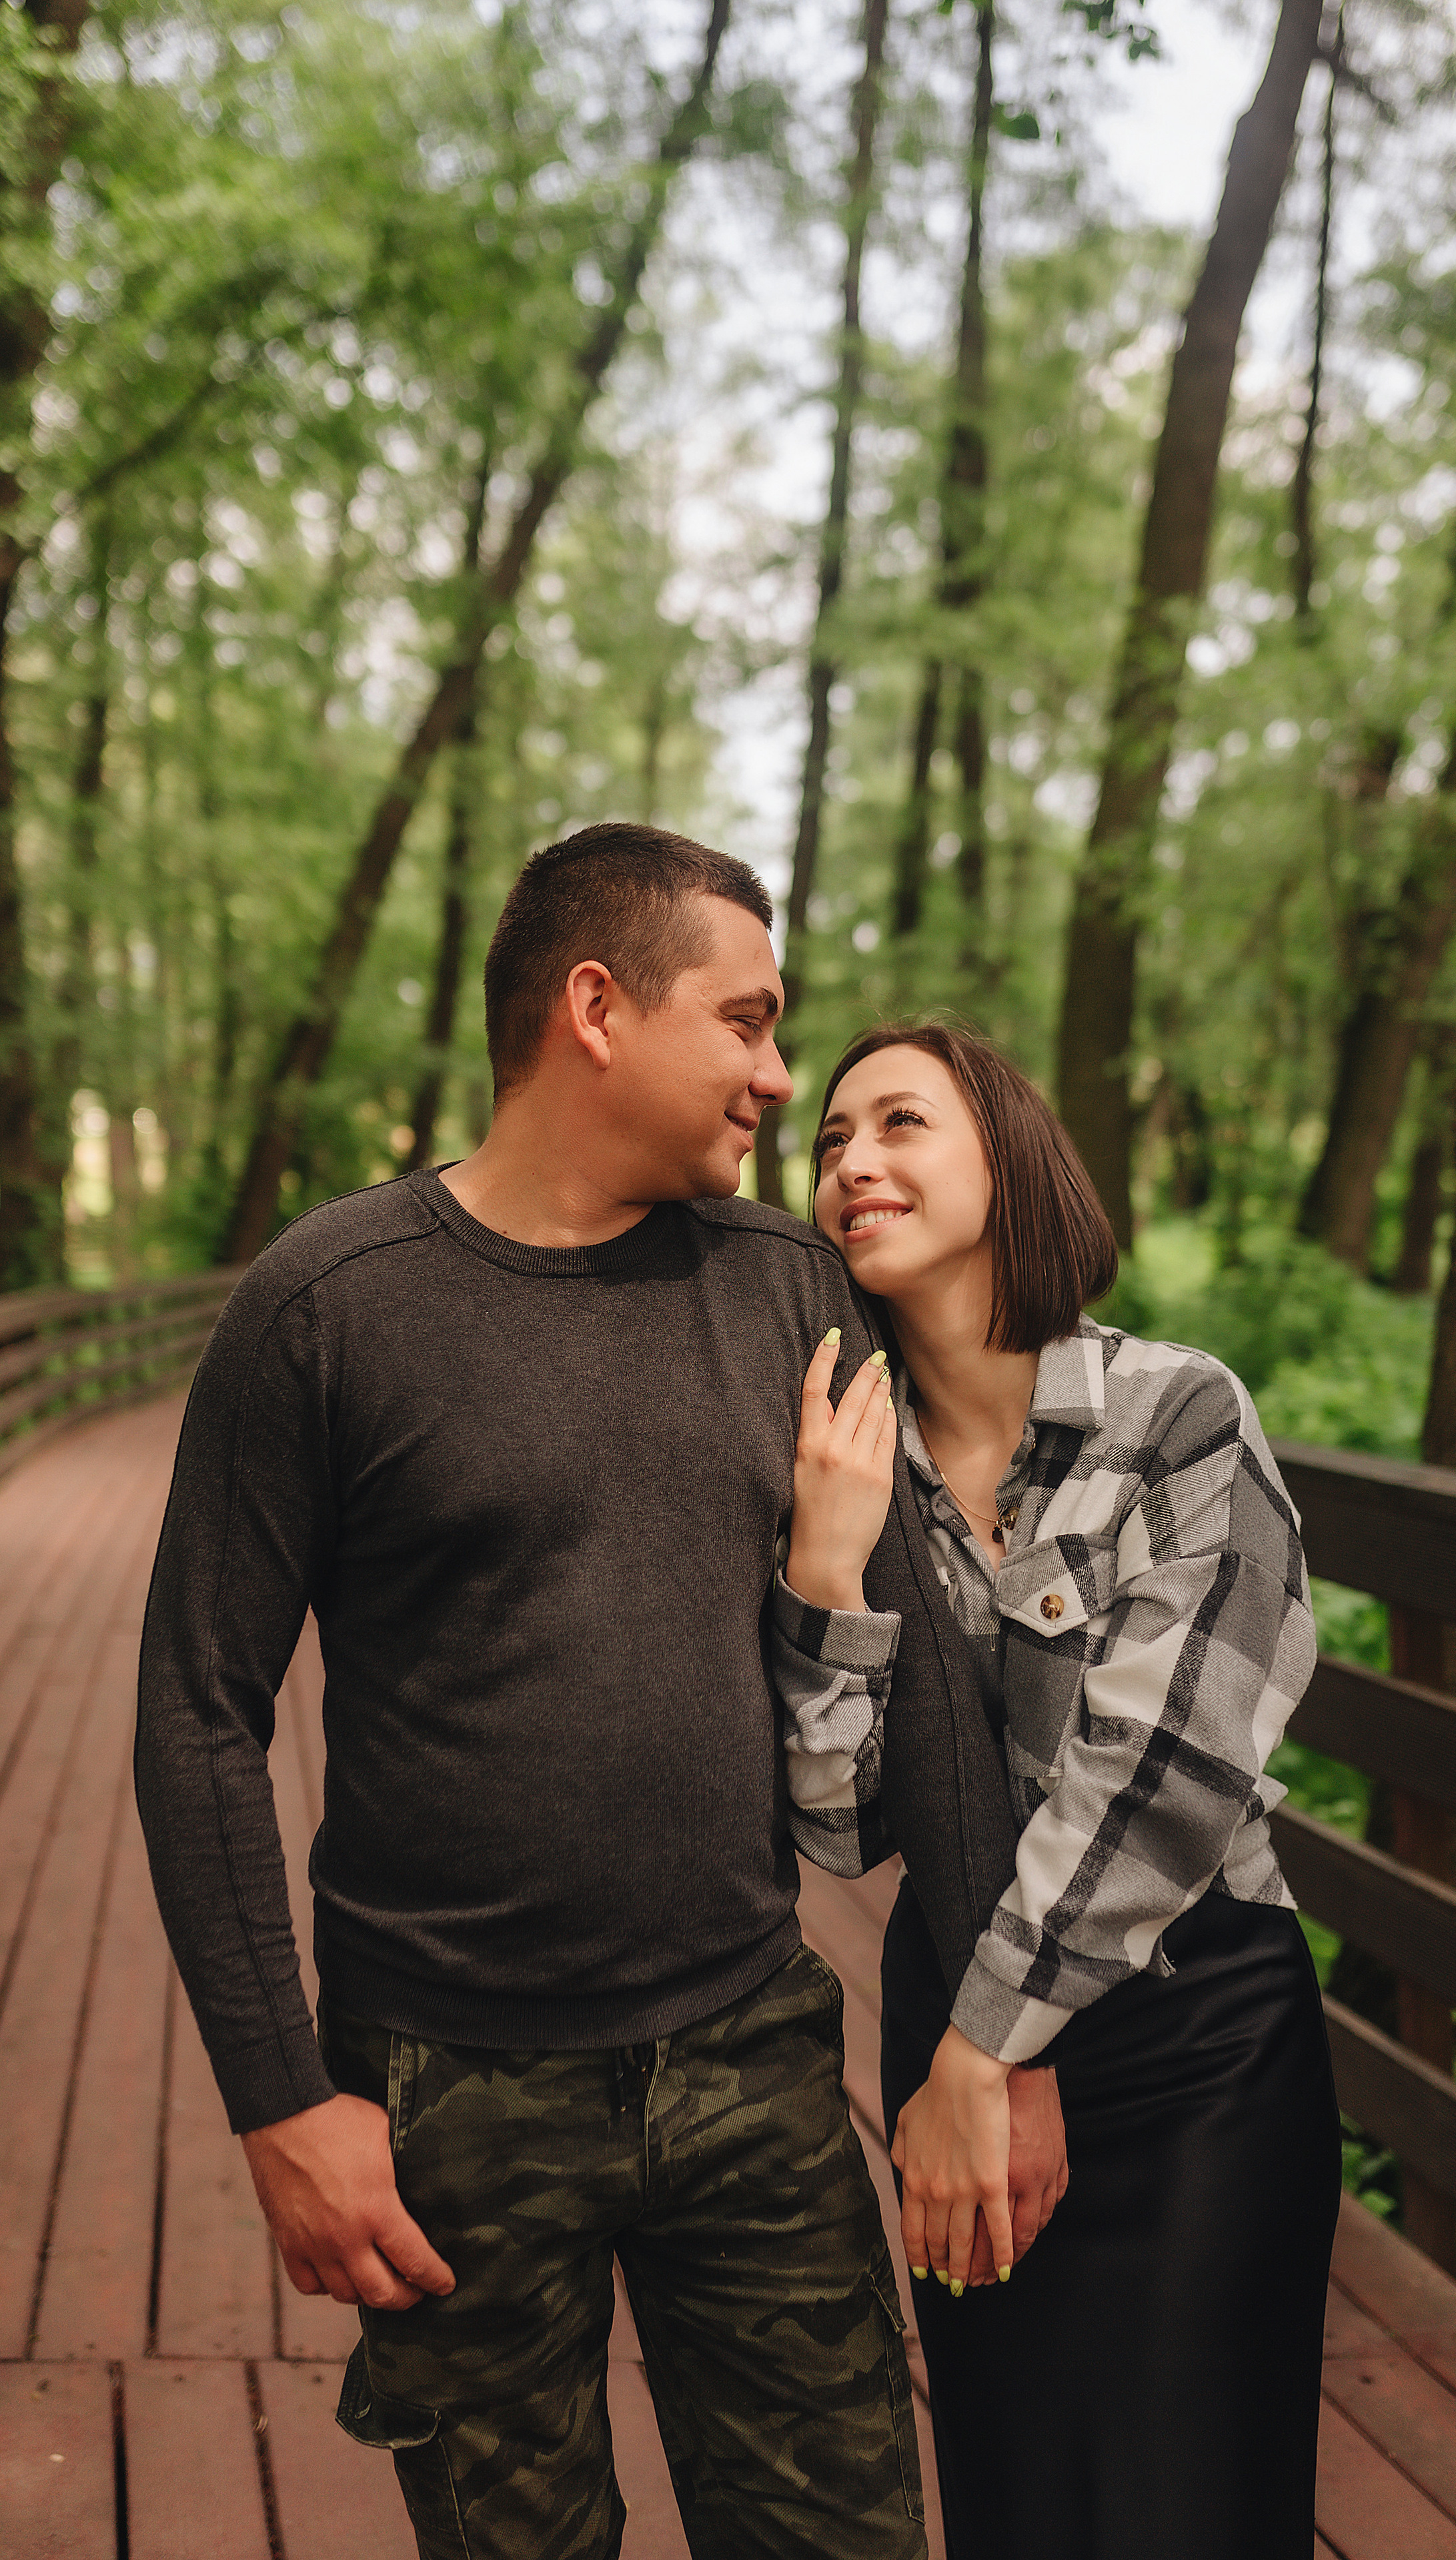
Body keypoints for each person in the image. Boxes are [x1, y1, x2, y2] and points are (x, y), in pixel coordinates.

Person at [135, 827, 1060, 2560]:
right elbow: (196, 1702)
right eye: (751, 1019)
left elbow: (928, 1660)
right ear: (597, 1008)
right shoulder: (330, 1305)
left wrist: (992, 2034)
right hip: (444, 2095)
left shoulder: (786, 1282)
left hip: (752, 2056)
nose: (783, 1076)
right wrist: (280, 2097)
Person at [772, 1021, 1342, 2560]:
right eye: (828, 1140)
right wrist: (826, 1569)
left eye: (898, 1122)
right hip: (951, 2032)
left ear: (1006, 1158)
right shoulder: (841, 1455)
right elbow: (840, 1823)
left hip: (1189, 2039)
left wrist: (979, 2050)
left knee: (1184, 2505)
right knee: (1023, 2495)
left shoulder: (1176, 1415)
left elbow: (1169, 1771)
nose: (851, 1162)